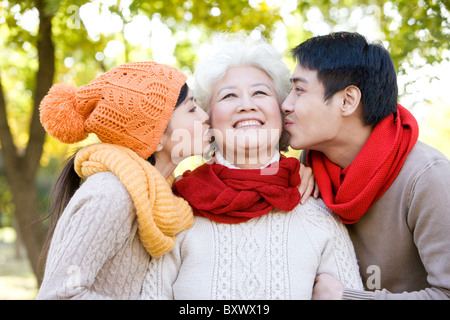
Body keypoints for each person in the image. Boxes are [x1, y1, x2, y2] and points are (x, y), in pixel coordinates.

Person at [139, 34, 363, 300]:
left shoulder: (317, 211)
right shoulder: (174, 210)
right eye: (229, 96)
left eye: (260, 93)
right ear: (207, 119)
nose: (246, 105)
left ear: (283, 112)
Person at [282, 31, 450, 299]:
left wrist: (346, 298)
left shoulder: (427, 178)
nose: (286, 104)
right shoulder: (312, 165)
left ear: (347, 101)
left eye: (299, 90)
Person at [36, 61, 211, 299]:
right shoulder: (111, 194)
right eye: (191, 109)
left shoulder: (158, 197)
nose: (205, 117)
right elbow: (59, 294)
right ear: (156, 136)